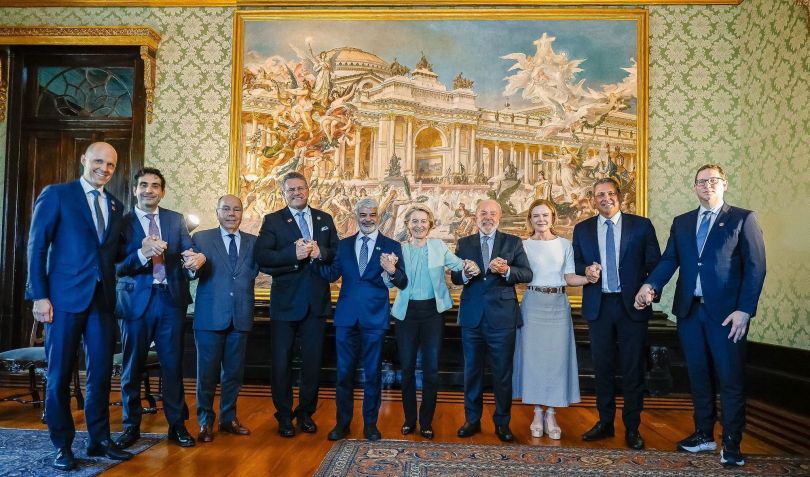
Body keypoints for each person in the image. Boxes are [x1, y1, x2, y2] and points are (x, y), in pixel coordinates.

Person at [635, 164, 766, 467]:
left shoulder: (743, 219)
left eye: (713, 181)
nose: (707, 186)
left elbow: (756, 268)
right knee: (698, 376)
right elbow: (670, 259)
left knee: (730, 379)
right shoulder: (682, 222)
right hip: (690, 312)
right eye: (701, 182)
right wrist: (650, 284)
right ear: (694, 187)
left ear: (724, 184)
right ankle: (703, 434)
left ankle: (731, 443)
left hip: (727, 315)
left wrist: (745, 310)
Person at [26, 142, 132, 470]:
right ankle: (62, 445)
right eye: (98, 161)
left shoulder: (115, 206)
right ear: (84, 159)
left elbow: (113, 256)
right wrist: (39, 296)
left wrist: (143, 251)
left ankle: (99, 440)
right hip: (62, 300)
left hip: (101, 303)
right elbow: (36, 245)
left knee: (100, 373)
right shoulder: (57, 194)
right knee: (58, 375)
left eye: (111, 165)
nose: (104, 168)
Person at [114, 168, 206, 449]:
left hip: (170, 301)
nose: (149, 190)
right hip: (135, 304)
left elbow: (187, 252)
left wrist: (196, 261)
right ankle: (131, 427)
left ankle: (177, 426)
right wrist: (143, 253)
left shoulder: (175, 220)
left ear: (162, 191)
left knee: (172, 366)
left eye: (155, 186)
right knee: (132, 367)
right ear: (134, 190)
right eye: (143, 185)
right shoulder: (121, 223)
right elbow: (116, 266)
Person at [571, 177, 660, 450]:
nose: (605, 198)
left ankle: (632, 428)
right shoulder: (582, 229)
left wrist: (649, 290)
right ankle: (605, 422)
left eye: (610, 193)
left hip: (632, 306)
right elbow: (575, 262)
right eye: (600, 195)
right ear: (593, 199)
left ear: (619, 196)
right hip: (599, 307)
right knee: (603, 368)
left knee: (633, 369)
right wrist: (586, 271)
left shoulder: (641, 226)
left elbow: (655, 264)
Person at [254, 171, 338, 437]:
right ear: (283, 193)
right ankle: (283, 416)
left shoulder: (325, 219)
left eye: (300, 188)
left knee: (312, 363)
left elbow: (337, 255)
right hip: (285, 305)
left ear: (308, 190)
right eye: (290, 190)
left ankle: (305, 414)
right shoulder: (273, 220)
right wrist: (294, 255)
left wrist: (320, 252)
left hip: (316, 304)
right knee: (281, 363)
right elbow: (262, 257)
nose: (296, 193)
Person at [320, 197, 407, 441]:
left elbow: (402, 281)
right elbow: (330, 274)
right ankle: (342, 424)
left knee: (373, 374)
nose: (368, 219)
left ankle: (370, 425)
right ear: (357, 216)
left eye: (372, 215)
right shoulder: (344, 245)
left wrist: (391, 270)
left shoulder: (392, 246)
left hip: (374, 319)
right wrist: (314, 257)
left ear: (379, 216)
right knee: (343, 374)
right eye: (363, 215)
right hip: (346, 319)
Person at [451, 199, 533, 442]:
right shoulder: (464, 243)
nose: (487, 217)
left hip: (503, 318)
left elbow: (527, 273)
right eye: (483, 213)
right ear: (476, 216)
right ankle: (472, 420)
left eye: (492, 213)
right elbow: (455, 277)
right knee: (472, 372)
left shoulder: (512, 242)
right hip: (472, 318)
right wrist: (465, 273)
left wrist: (506, 270)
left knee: (502, 374)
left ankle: (502, 423)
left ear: (499, 216)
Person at [513, 199, 591, 440]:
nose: (541, 219)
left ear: (553, 217)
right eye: (536, 216)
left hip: (558, 305)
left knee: (556, 360)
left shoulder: (565, 244)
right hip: (533, 303)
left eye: (545, 215)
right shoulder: (522, 245)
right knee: (534, 360)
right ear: (530, 219)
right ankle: (537, 412)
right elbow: (518, 275)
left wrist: (589, 278)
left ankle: (551, 413)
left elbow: (569, 277)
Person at [390, 204, 465, 439]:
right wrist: (389, 270)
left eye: (423, 221)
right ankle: (410, 419)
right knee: (408, 368)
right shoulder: (399, 250)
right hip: (407, 314)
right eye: (414, 221)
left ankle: (426, 421)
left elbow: (459, 266)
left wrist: (471, 267)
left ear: (430, 225)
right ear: (407, 225)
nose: (419, 225)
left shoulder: (439, 246)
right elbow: (391, 282)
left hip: (433, 313)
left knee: (431, 370)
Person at [191, 195, 259, 442]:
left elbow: (267, 266)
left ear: (242, 213)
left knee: (233, 374)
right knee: (206, 374)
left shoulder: (254, 242)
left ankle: (228, 419)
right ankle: (205, 422)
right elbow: (189, 272)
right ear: (217, 211)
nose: (232, 213)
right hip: (209, 318)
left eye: (237, 209)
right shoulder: (201, 238)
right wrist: (192, 266)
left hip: (239, 318)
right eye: (226, 209)